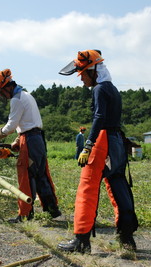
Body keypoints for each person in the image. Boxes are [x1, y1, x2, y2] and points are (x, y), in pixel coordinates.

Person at [57, 49, 138, 253]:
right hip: (117, 141)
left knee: (87, 187)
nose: (81, 78)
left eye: (83, 74)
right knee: (119, 184)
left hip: (103, 141)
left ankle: (81, 241)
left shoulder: (99, 89)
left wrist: (88, 145)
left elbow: (99, 118)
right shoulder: (113, 89)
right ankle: (127, 238)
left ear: (93, 70)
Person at [0, 68, 61, 223]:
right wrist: (18, 139)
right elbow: (28, 122)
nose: (3, 96)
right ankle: (51, 209)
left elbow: (11, 125)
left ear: (7, 87)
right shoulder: (26, 95)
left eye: (1, 92)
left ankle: (25, 214)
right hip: (37, 138)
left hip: (29, 139)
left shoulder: (16, 99)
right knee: (41, 174)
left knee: (26, 176)